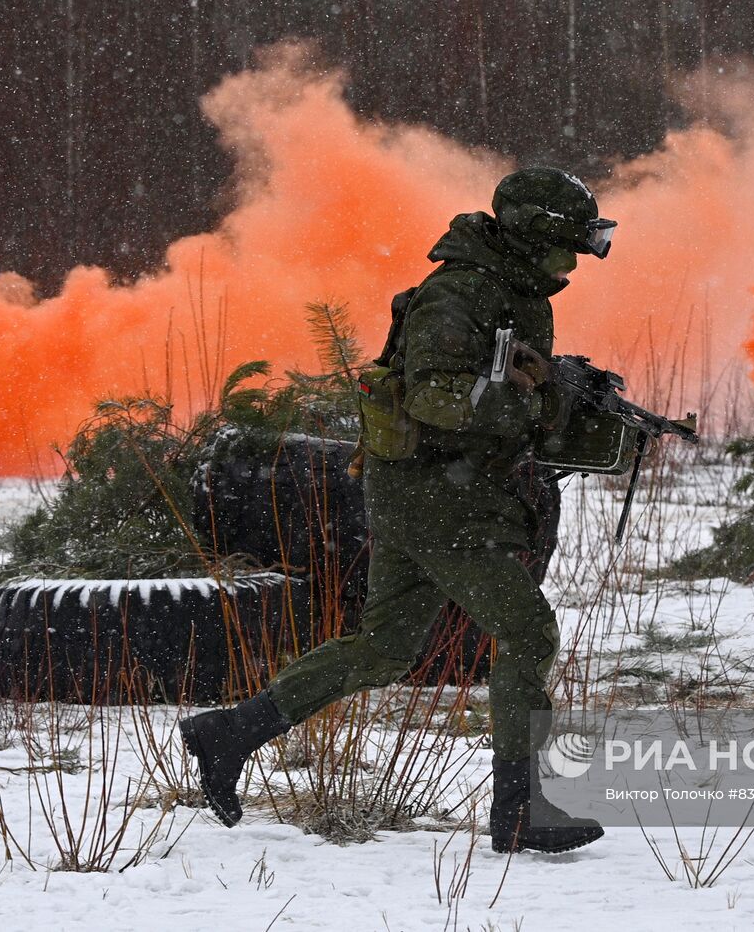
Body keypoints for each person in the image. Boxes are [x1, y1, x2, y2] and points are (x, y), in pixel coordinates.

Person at [180, 166, 617, 854]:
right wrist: (533, 402)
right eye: (570, 245)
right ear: (536, 237)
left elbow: (505, 381)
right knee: (528, 631)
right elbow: (433, 398)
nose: (576, 262)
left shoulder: (513, 290)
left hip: (432, 492)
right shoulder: (459, 295)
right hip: (439, 497)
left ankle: (229, 732)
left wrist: (569, 392)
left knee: (385, 649)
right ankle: (519, 806)